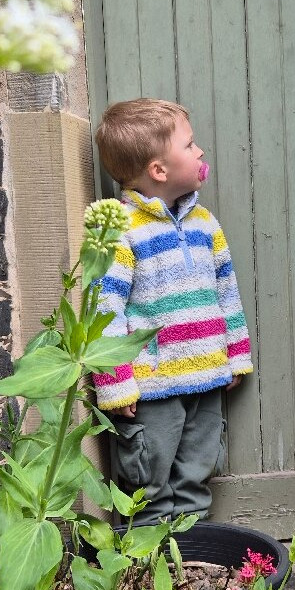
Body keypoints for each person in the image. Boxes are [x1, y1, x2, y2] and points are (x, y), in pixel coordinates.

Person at [92, 98, 253, 525]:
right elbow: (104, 308)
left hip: (206, 377)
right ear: (159, 170)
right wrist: (115, 383)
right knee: (147, 484)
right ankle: (147, 561)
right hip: (151, 389)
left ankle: (193, 552)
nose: (200, 152)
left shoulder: (205, 223)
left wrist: (236, 354)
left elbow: (226, 290)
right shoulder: (121, 228)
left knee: (196, 479)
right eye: (190, 144)